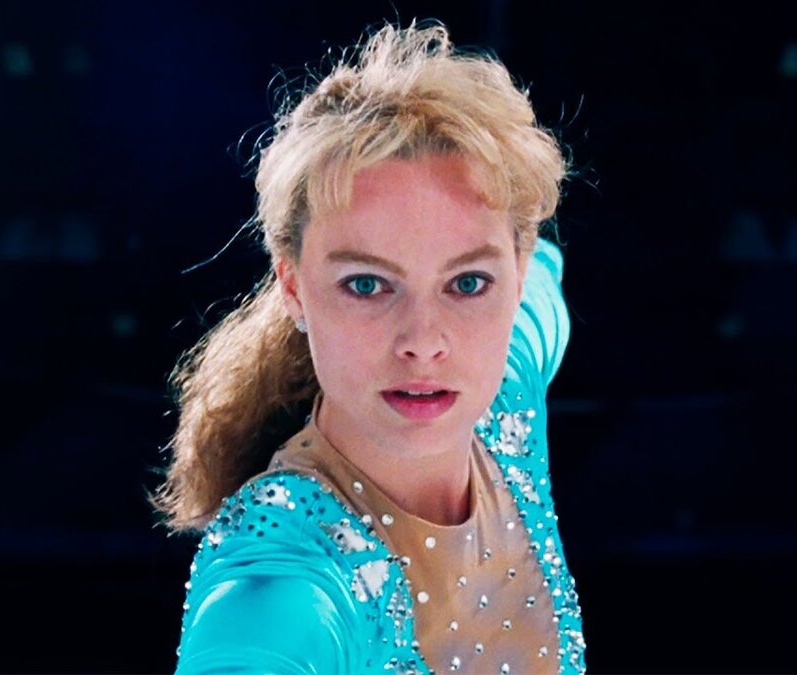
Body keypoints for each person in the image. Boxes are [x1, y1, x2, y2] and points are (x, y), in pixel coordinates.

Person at [154, 20, 585, 674]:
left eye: (467, 282)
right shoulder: (282, 583)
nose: (423, 343)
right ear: (293, 288)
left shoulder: (508, 389)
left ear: (515, 276)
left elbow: (545, 272)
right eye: (367, 284)